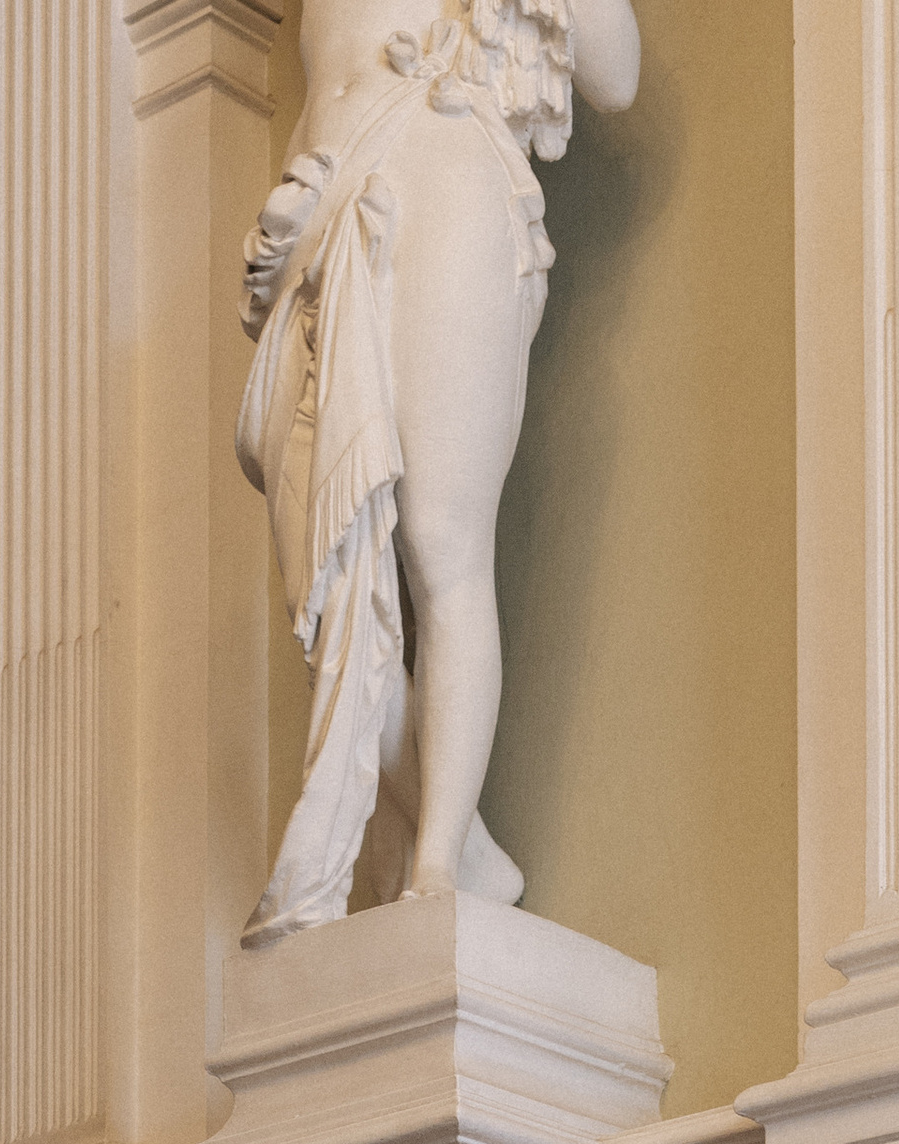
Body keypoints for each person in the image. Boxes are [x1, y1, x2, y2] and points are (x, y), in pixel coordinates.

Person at [238, 0, 644, 943]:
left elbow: (616, 69)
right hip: (326, 210)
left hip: (447, 165)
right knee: (330, 573)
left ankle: (435, 873)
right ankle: (462, 851)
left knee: (438, 538)